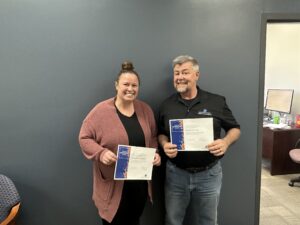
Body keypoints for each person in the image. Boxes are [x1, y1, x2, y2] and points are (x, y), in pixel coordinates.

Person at [158, 55, 241, 225]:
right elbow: (160, 133)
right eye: (176, 73)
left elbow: (235, 129)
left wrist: (225, 142)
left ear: (196, 75)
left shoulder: (216, 101)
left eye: (185, 72)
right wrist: (164, 144)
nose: (180, 77)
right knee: (172, 220)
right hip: (176, 174)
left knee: (208, 221)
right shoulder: (166, 105)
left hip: (209, 174)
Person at [79, 61, 161, 225]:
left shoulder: (145, 110)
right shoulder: (101, 111)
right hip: (113, 186)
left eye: (134, 85)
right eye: (126, 84)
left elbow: (152, 137)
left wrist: (155, 154)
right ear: (116, 85)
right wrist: (101, 153)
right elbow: (84, 138)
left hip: (139, 185)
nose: (130, 89)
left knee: (134, 220)